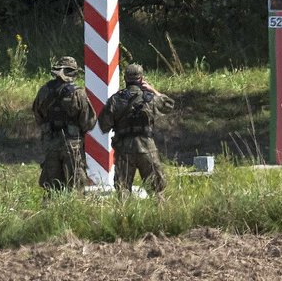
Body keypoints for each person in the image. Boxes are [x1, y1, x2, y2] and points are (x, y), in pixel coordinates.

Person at [97, 63, 175, 197]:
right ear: (141, 79)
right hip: (147, 148)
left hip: (124, 149)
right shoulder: (150, 99)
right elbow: (169, 105)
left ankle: (123, 217)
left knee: (123, 190)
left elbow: (104, 125)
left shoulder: (115, 100)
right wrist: (153, 90)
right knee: (157, 190)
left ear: (125, 78)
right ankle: (162, 216)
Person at [32, 56, 97, 192]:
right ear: (73, 73)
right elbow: (89, 121)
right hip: (72, 144)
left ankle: (52, 207)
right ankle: (72, 208)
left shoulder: (44, 90)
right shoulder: (78, 93)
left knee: (52, 184)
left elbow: (38, 115)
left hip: (51, 142)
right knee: (76, 183)